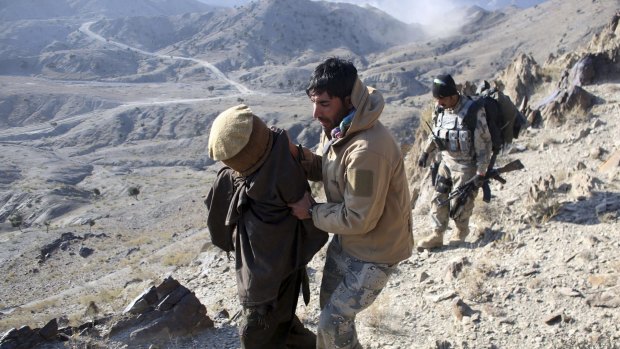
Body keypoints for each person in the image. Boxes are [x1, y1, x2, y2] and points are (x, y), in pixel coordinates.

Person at [287, 57, 413, 349]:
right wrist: (305, 160)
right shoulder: (340, 127)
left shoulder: (367, 150)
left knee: (333, 322)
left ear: (347, 100)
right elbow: (337, 173)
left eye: (324, 104)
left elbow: (359, 217)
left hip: (375, 252)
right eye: (314, 102)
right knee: (330, 313)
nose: (315, 112)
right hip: (349, 242)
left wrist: (312, 212)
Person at [205, 104, 328, 349]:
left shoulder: (239, 179)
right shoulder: (283, 157)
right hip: (290, 267)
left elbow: (219, 230)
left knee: (258, 338)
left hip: (263, 288)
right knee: (284, 326)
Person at [416, 74, 493, 249]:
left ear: (452, 95)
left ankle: (460, 232)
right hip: (447, 162)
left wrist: (481, 171)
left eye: (442, 99)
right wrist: (425, 152)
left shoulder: (472, 111)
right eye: (437, 99)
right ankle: (437, 234)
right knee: (438, 199)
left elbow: (484, 143)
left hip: (466, 167)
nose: (439, 103)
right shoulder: (441, 109)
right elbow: (435, 132)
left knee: (460, 204)